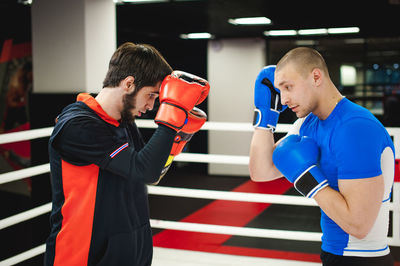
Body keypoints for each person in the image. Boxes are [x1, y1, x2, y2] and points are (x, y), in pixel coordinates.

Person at [44, 42, 210, 266]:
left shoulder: (125, 121)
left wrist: (175, 142)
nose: (152, 106)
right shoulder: (77, 125)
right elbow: (145, 171)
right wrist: (171, 119)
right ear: (129, 83)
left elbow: (154, 171)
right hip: (84, 256)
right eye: (151, 95)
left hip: (128, 251)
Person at [249, 47, 395, 266]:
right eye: (280, 91)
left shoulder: (355, 127)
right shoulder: (307, 125)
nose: (284, 99)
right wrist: (264, 119)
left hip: (364, 259)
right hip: (332, 254)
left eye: (288, 87)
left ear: (316, 77)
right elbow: (261, 172)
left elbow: (359, 225)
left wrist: (308, 180)